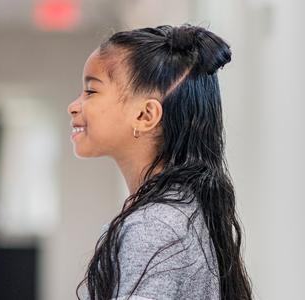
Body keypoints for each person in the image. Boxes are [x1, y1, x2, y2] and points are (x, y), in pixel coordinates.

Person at [69, 25, 252, 299]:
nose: (74, 105)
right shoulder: (177, 211)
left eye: (91, 91)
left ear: (145, 115)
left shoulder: (154, 227)